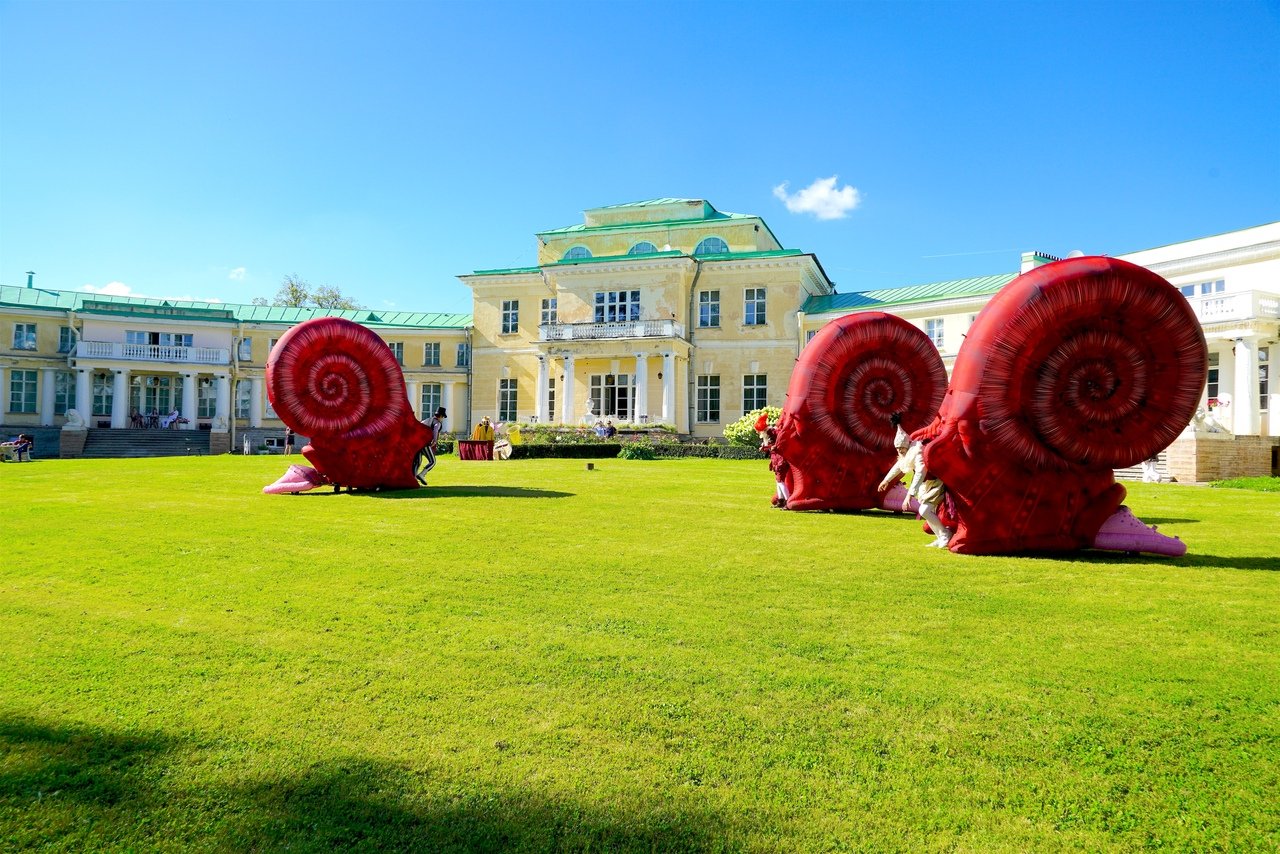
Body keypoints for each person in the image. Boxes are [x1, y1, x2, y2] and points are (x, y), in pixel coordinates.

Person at [879, 415, 952, 548]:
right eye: (898, 449)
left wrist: (909, 494)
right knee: (927, 511)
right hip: (927, 485)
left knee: (924, 510)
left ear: (907, 445)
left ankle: (945, 534)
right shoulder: (906, 453)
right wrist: (886, 480)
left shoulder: (917, 452)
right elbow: (899, 465)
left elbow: (920, 472)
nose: (900, 451)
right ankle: (940, 536)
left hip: (935, 483)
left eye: (901, 448)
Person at [755, 413, 791, 509]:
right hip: (776, 460)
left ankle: (788, 501)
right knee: (778, 481)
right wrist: (765, 448)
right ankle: (781, 500)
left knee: (780, 481)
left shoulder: (773, 432)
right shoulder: (771, 433)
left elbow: (779, 444)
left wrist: (768, 447)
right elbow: (772, 446)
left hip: (780, 460)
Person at [415, 406, 447, 485]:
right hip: (425, 443)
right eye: (443, 417)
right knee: (432, 461)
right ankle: (422, 474)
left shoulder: (427, 420)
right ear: (440, 416)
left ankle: (413, 477)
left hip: (417, 442)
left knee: (418, 461)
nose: (442, 419)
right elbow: (435, 430)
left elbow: (419, 425)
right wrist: (435, 441)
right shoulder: (437, 423)